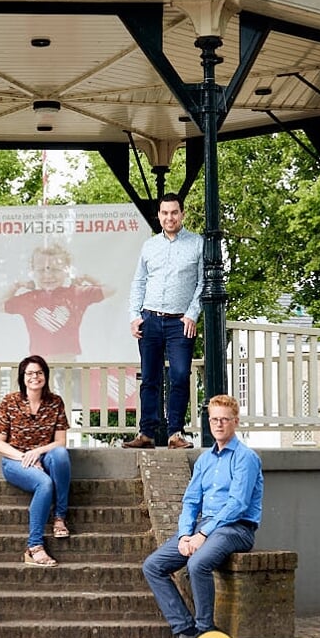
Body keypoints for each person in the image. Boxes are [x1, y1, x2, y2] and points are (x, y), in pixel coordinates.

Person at [141, 395, 262, 638]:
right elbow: (191, 501)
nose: (218, 424)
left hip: (236, 528)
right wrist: (186, 534)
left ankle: (205, 629)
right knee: (153, 566)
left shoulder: (245, 458)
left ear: (235, 422)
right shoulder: (205, 460)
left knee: (197, 564)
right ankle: (184, 628)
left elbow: (238, 505)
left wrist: (202, 534)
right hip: (203, 526)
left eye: (224, 420)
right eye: (214, 419)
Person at [124, 192, 204, 449]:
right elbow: (139, 282)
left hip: (180, 322)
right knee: (149, 378)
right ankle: (146, 433)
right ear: (158, 216)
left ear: (182, 214)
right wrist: (134, 316)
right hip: (150, 319)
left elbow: (203, 282)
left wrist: (193, 313)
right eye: (164, 213)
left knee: (180, 375)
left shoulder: (197, 243)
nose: (169, 217)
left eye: (174, 212)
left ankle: (175, 433)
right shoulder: (150, 246)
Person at [0, 355, 72, 567]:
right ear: (22, 377)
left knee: (61, 455)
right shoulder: (10, 402)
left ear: (45, 376)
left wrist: (36, 453)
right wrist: (24, 457)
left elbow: (60, 441)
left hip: (43, 456)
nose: (34, 377)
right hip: (14, 460)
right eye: (30, 373)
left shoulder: (55, 402)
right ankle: (34, 546)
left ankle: (60, 517)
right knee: (44, 483)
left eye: (39, 373)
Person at [0, 243, 108, 361]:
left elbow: (109, 290)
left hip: (68, 364)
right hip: (39, 363)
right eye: (41, 270)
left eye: (55, 270)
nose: (48, 275)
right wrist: (17, 285)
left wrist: (87, 278)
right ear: (33, 271)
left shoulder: (76, 294)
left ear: (66, 270)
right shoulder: (29, 298)